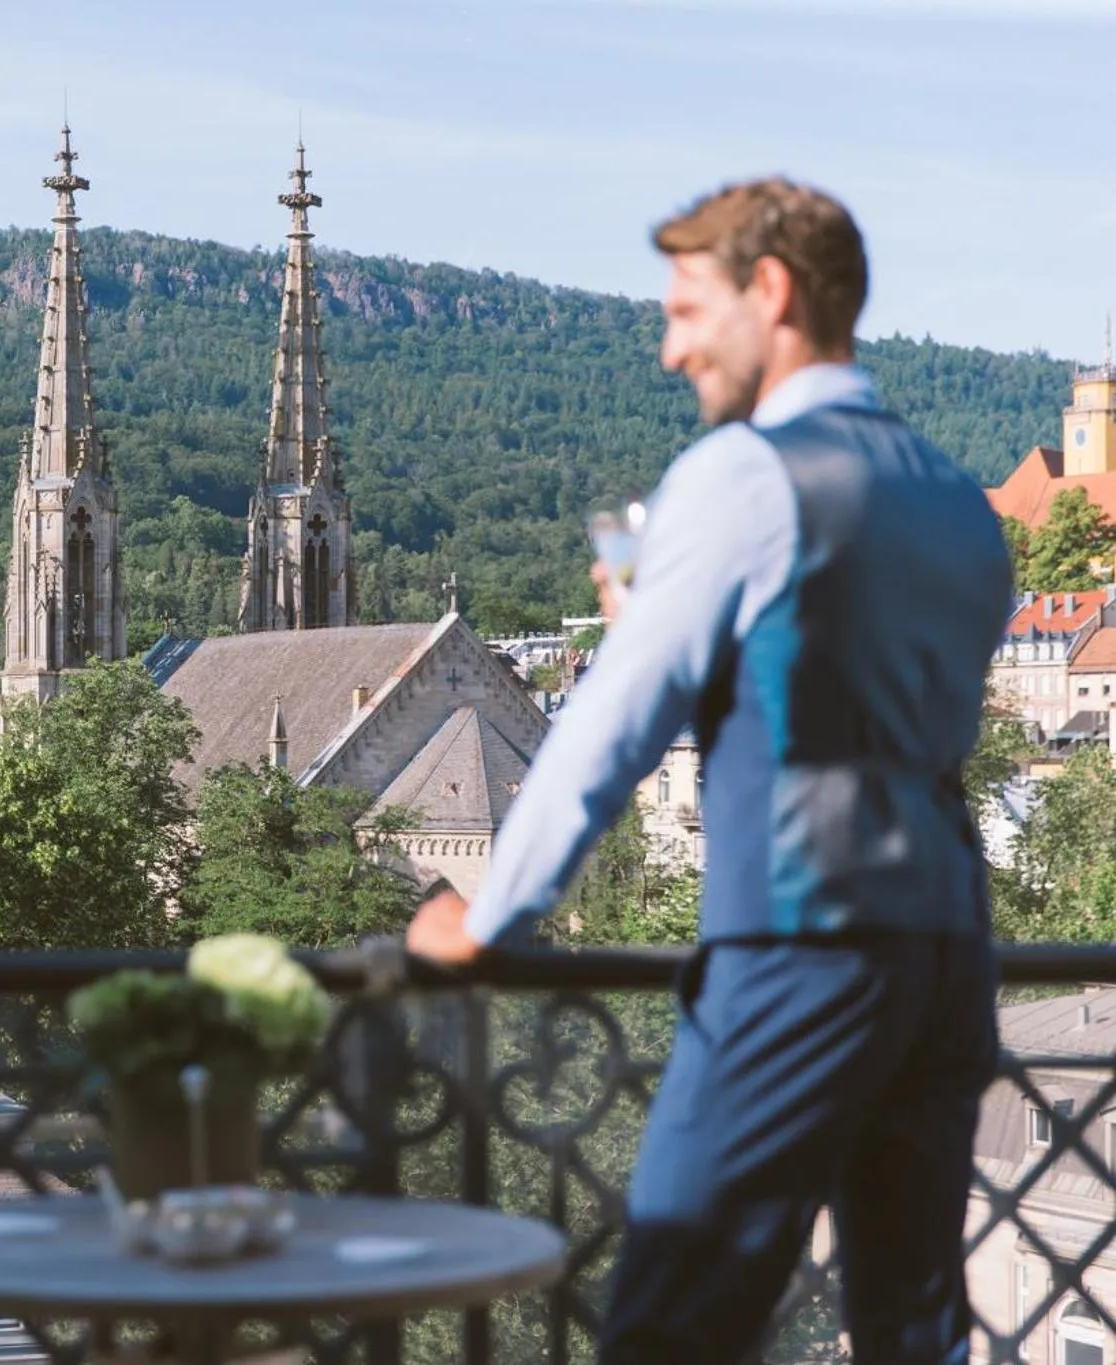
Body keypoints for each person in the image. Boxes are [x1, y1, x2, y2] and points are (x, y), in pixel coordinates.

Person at [406, 180, 1014, 1363]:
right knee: (910, 1330)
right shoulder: (955, 498)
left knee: (670, 1328)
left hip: (801, 941)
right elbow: (856, 679)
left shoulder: (741, 476)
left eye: (688, 308)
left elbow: (610, 726)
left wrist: (490, 910)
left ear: (771, 294)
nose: (668, 343)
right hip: (949, 949)